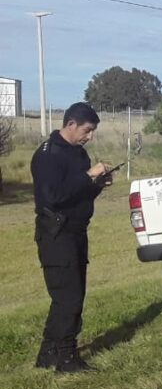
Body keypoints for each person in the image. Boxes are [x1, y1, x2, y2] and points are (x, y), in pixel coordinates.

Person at [31, 102, 112, 372]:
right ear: (71, 124)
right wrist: (89, 175)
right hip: (55, 233)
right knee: (69, 297)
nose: (90, 137)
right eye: (87, 131)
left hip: (77, 231)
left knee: (70, 295)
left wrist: (97, 184)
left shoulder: (78, 154)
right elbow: (52, 196)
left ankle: (48, 353)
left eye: (93, 132)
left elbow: (78, 194)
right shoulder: (47, 155)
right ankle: (67, 357)